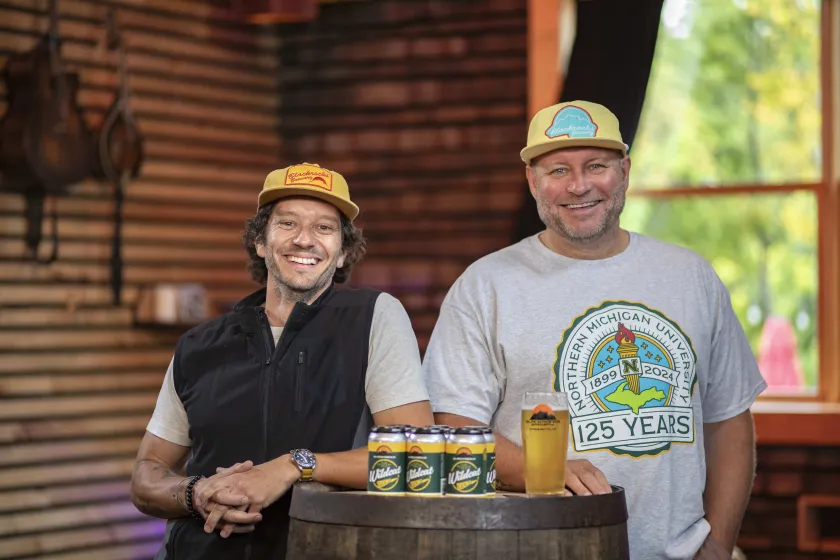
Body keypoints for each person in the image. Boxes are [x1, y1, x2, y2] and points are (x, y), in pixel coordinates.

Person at [421, 101, 766, 560]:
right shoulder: (486, 286)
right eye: (558, 169)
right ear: (532, 181)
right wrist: (543, 470)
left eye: (596, 166)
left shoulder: (691, 277)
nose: (579, 185)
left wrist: (719, 543)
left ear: (624, 171)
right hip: (533, 550)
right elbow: (453, 427)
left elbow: (728, 422)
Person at [131, 162, 434, 560]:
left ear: (343, 253)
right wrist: (195, 492)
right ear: (260, 241)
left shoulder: (372, 317)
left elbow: (416, 455)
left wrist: (295, 466)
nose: (304, 240)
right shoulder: (199, 345)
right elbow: (146, 474)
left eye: (324, 228)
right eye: (287, 223)